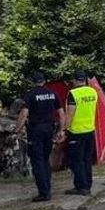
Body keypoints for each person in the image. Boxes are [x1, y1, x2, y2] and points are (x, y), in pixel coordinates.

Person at [16, 71, 60, 202]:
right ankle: (48, 188)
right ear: (44, 81)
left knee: (37, 161)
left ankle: (44, 192)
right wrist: (61, 130)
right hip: (49, 129)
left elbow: (24, 114)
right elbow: (61, 113)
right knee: (45, 159)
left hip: (36, 131)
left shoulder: (30, 95)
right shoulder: (53, 94)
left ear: (32, 82)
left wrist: (17, 129)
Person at [61, 70, 98, 196]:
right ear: (85, 80)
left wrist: (64, 129)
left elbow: (70, 115)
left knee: (77, 161)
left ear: (75, 80)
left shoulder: (73, 93)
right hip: (90, 130)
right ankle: (87, 184)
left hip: (76, 132)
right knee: (87, 159)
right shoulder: (93, 91)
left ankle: (81, 187)